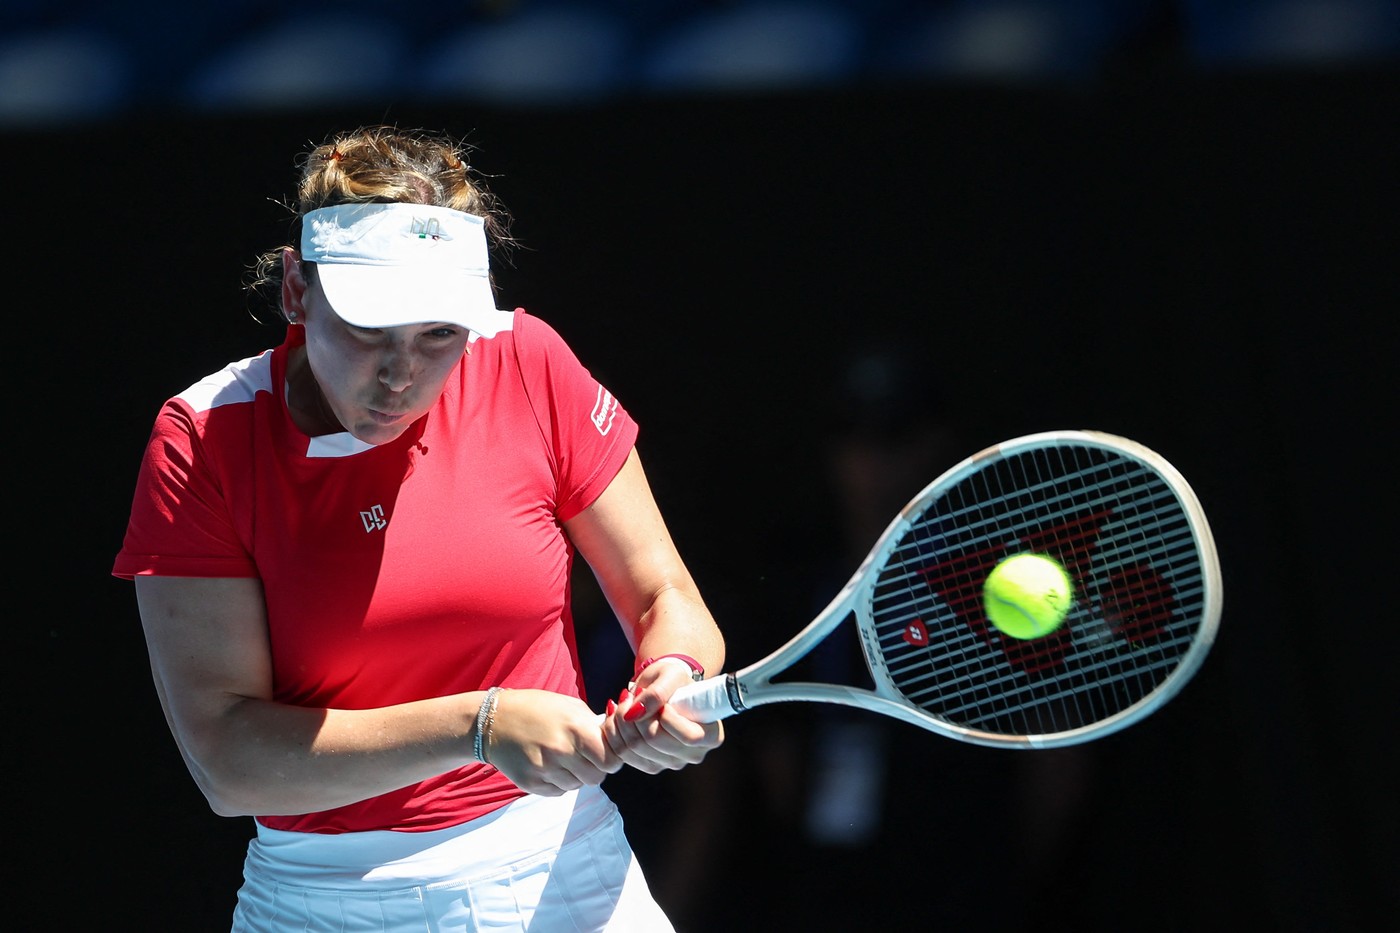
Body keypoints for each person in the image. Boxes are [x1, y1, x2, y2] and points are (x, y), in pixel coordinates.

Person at [112, 124, 725, 932]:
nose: (401, 375)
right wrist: (479, 725)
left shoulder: (527, 359)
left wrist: (674, 671)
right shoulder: (201, 438)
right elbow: (227, 762)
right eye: (369, 331)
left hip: (567, 873)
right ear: (297, 288)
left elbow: (662, 593)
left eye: (439, 333)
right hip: (322, 904)